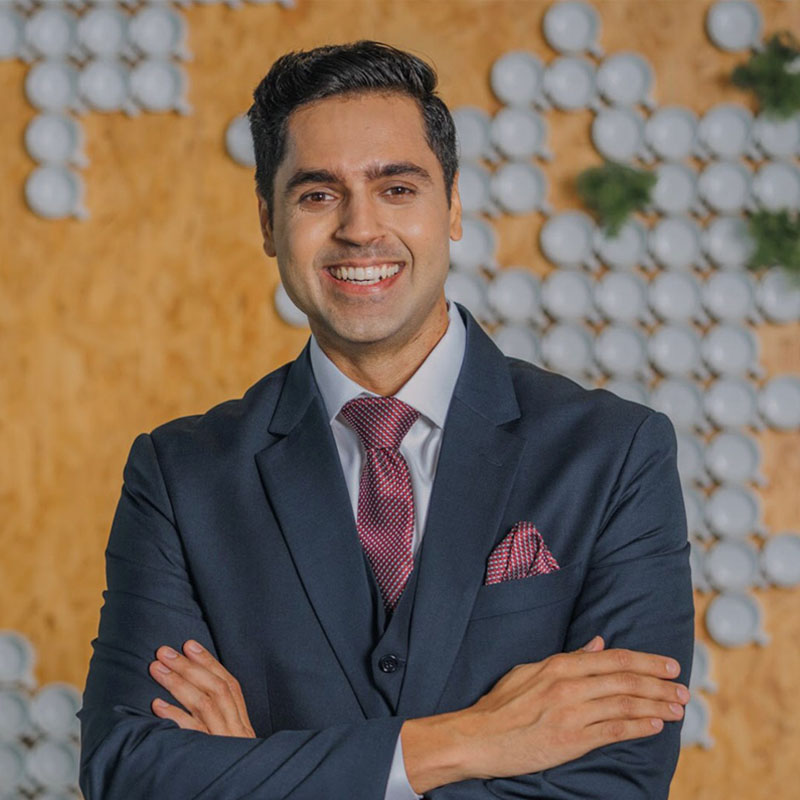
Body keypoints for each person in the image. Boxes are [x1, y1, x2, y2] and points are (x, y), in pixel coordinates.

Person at [77, 40, 694, 799]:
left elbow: (615, 786)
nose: (360, 229)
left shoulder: (615, 455)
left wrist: (257, 773)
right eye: (317, 195)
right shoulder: (180, 477)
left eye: (397, 188)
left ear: (453, 205)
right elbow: (130, 773)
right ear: (269, 223)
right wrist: (469, 741)